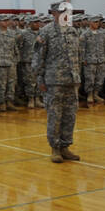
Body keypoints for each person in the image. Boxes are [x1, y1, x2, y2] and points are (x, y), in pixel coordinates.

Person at [35, 11, 82, 162]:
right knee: (55, 115)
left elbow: (77, 55)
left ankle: (65, 146)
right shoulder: (46, 31)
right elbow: (38, 57)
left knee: (70, 115)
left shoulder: (72, 31)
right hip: (53, 81)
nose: (65, 16)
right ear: (54, 14)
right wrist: (40, 79)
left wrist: (77, 76)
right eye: (61, 13)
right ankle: (55, 148)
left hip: (71, 80)